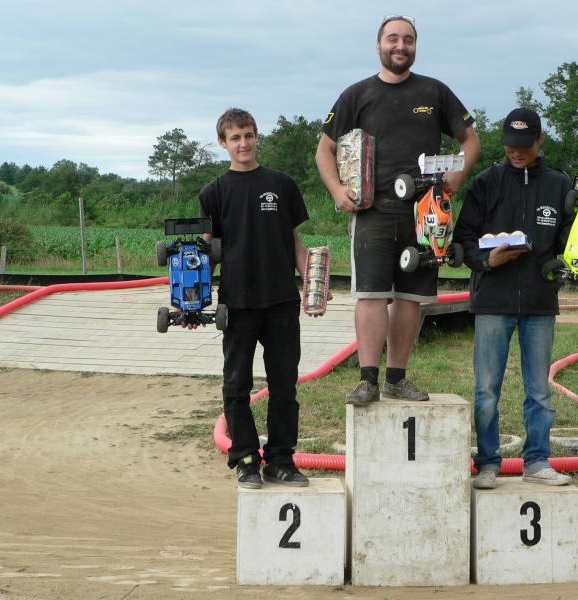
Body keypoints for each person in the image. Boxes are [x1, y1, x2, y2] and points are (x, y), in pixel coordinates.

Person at [315, 14, 480, 406]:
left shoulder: (435, 92)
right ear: (378, 46)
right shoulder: (356, 95)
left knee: (411, 297)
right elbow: (325, 149)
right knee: (371, 296)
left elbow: (470, 140)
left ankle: (396, 379)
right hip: (371, 210)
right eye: (392, 39)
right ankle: (367, 380)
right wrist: (338, 190)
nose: (400, 46)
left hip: (425, 214)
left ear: (415, 46)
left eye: (408, 40)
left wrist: (456, 177)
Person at [453, 107, 575, 488]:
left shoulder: (559, 185)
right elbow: (462, 240)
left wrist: (565, 264)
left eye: (523, 145)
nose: (515, 152)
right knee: (486, 389)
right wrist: (487, 259)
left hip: (539, 303)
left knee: (539, 389)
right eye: (509, 145)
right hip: (493, 301)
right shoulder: (487, 182)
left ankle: (537, 461)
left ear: (540, 141)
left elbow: (571, 244)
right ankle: (487, 462)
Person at [197, 107, 311, 489]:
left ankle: (280, 459)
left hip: (281, 300)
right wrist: (192, 297)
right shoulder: (213, 193)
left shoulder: (281, 184)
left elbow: (295, 241)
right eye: (234, 138)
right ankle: (245, 459)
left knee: (284, 385)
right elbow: (204, 250)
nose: (243, 143)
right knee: (236, 385)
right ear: (223, 143)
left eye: (248, 135)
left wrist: (312, 284)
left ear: (256, 136)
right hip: (238, 303)